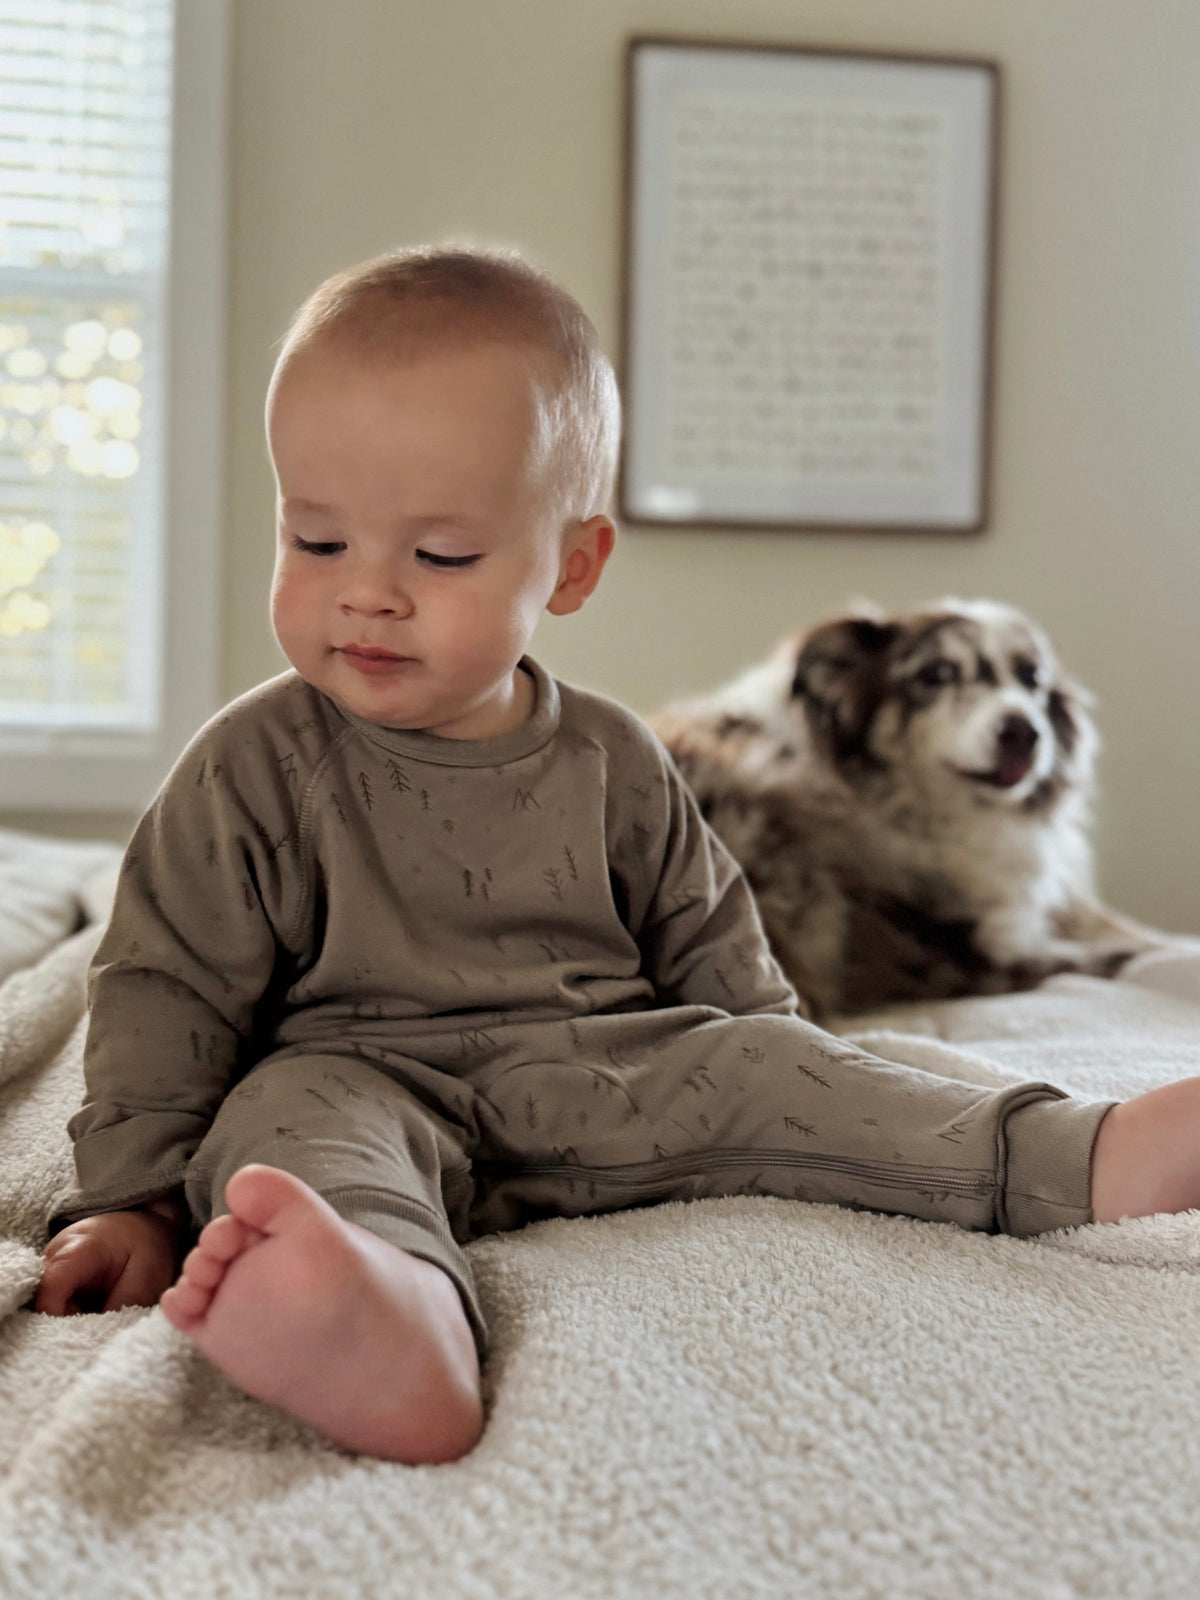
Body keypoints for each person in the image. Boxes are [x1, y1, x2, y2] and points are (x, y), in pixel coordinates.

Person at [33, 246, 1200, 1466]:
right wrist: (130, 1197)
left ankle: (1085, 1154)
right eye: (317, 540)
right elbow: (164, 987)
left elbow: (710, 936)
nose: (366, 593)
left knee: (775, 1066)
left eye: (439, 557)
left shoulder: (611, 756)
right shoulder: (251, 766)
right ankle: (394, 1313)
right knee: (282, 1128)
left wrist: (775, 1056)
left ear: (572, 565)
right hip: (361, 1072)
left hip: (605, 1066)